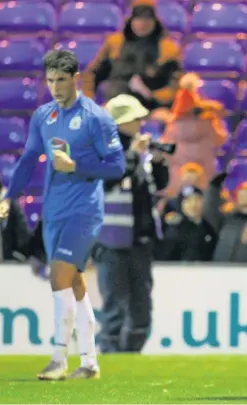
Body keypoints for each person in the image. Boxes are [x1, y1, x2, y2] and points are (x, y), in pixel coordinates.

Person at [0, 50, 125, 379]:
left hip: (84, 211)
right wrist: (9, 196)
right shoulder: (43, 116)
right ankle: (90, 362)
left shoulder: (96, 117)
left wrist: (76, 166)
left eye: (61, 80)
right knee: (75, 283)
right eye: (50, 80)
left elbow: (116, 166)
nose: (55, 86)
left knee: (59, 277)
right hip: (53, 211)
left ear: (75, 79)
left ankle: (58, 358)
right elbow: (27, 159)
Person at [95, 94, 169, 353]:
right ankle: (110, 353)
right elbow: (108, 179)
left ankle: (130, 355)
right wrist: (134, 155)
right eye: (136, 118)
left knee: (141, 307)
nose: (141, 122)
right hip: (111, 239)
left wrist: (158, 164)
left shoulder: (137, 152)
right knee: (114, 305)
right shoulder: (104, 149)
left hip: (140, 240)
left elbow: (156, 186)